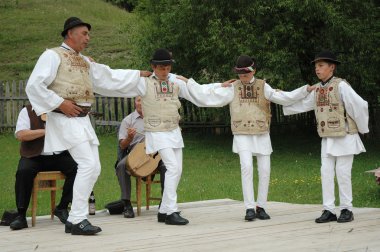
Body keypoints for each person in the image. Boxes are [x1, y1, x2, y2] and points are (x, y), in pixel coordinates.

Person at [25, 17, 151, 235]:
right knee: (87, 164)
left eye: (88, 34)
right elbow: (34, 85)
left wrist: (137, 75)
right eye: (84, 33)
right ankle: (77, 219)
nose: (88, 38)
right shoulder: (52, 55)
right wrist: (60, 103)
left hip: (81, 120)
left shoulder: (84, 61)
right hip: (65, 118)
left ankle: (76, 218)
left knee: (94, 166)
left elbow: (107, 77)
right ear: (70, 33)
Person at [179, 55, 314, 221]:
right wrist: (189, 83)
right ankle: (249, 208)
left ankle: (261, 206)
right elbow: (209, 96)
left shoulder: (263, 86)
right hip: (242, 133)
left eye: (245, 74)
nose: (242, 78)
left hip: (261, 132)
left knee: (265, 170)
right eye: (240, 75)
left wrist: (305, 90)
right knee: (247, 167)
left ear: (253, 71)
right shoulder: (233, 87)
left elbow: (284, 98)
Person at [126, 48, 235, 225]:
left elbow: (198, 91)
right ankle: (171, 211)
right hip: (156, 130)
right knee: (172, 167)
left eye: (168, 67)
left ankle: (163, 210)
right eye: (161, 68)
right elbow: (118, 82)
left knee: (178, 169)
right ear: (153, 66)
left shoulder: (176, 80)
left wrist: (219, 86)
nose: (165, 71)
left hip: (173, 130)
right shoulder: (143, 82)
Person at [283, 50, 369, 223]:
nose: (317, 69)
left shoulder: (341, 86)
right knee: (326, 172)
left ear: (332, 67)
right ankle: (328, 209)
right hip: (327, 137)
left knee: (343, 172)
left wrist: (362, 129)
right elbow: (304, 104)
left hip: (344, 136)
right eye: (316, 66)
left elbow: (358, 105)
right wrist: (281, 104)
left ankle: (346, 209)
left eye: (321, 65)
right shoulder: (317, 89)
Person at [10, 105, 77, 230]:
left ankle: (62, 207)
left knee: (78, 168)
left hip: (58, 154)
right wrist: (46, 132)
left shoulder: (60, 110)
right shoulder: (27, 111)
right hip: (34, 155)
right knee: (23, 171)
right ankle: (21, 215)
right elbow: (21, 135)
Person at [115, 96, 166, 218]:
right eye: (139, 100)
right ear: (135, 102)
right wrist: (129, 138)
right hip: (135, 155)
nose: (142, 103)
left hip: (155, 155)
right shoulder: (128, 121)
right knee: (121, 166)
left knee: (168, 166)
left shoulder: (156, 118)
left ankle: (165, 202)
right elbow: (122, 146)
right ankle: (127, 203)